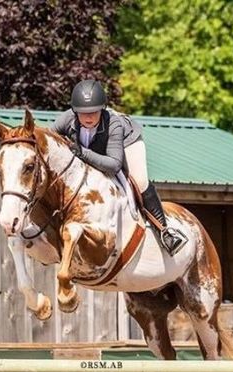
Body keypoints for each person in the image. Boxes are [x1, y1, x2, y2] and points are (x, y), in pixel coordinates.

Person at [51, 79, 187, 255]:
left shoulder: (113, 123)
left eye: (94, 112)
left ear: (102, 108)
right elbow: (48, 140)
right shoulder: (67, 119)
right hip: (93, 151)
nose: (89, 117)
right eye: (83, 113)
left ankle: (164, 231)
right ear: (75, 111)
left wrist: (82, 152)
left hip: (126, 143)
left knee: (140, 181)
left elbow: (114, 165)